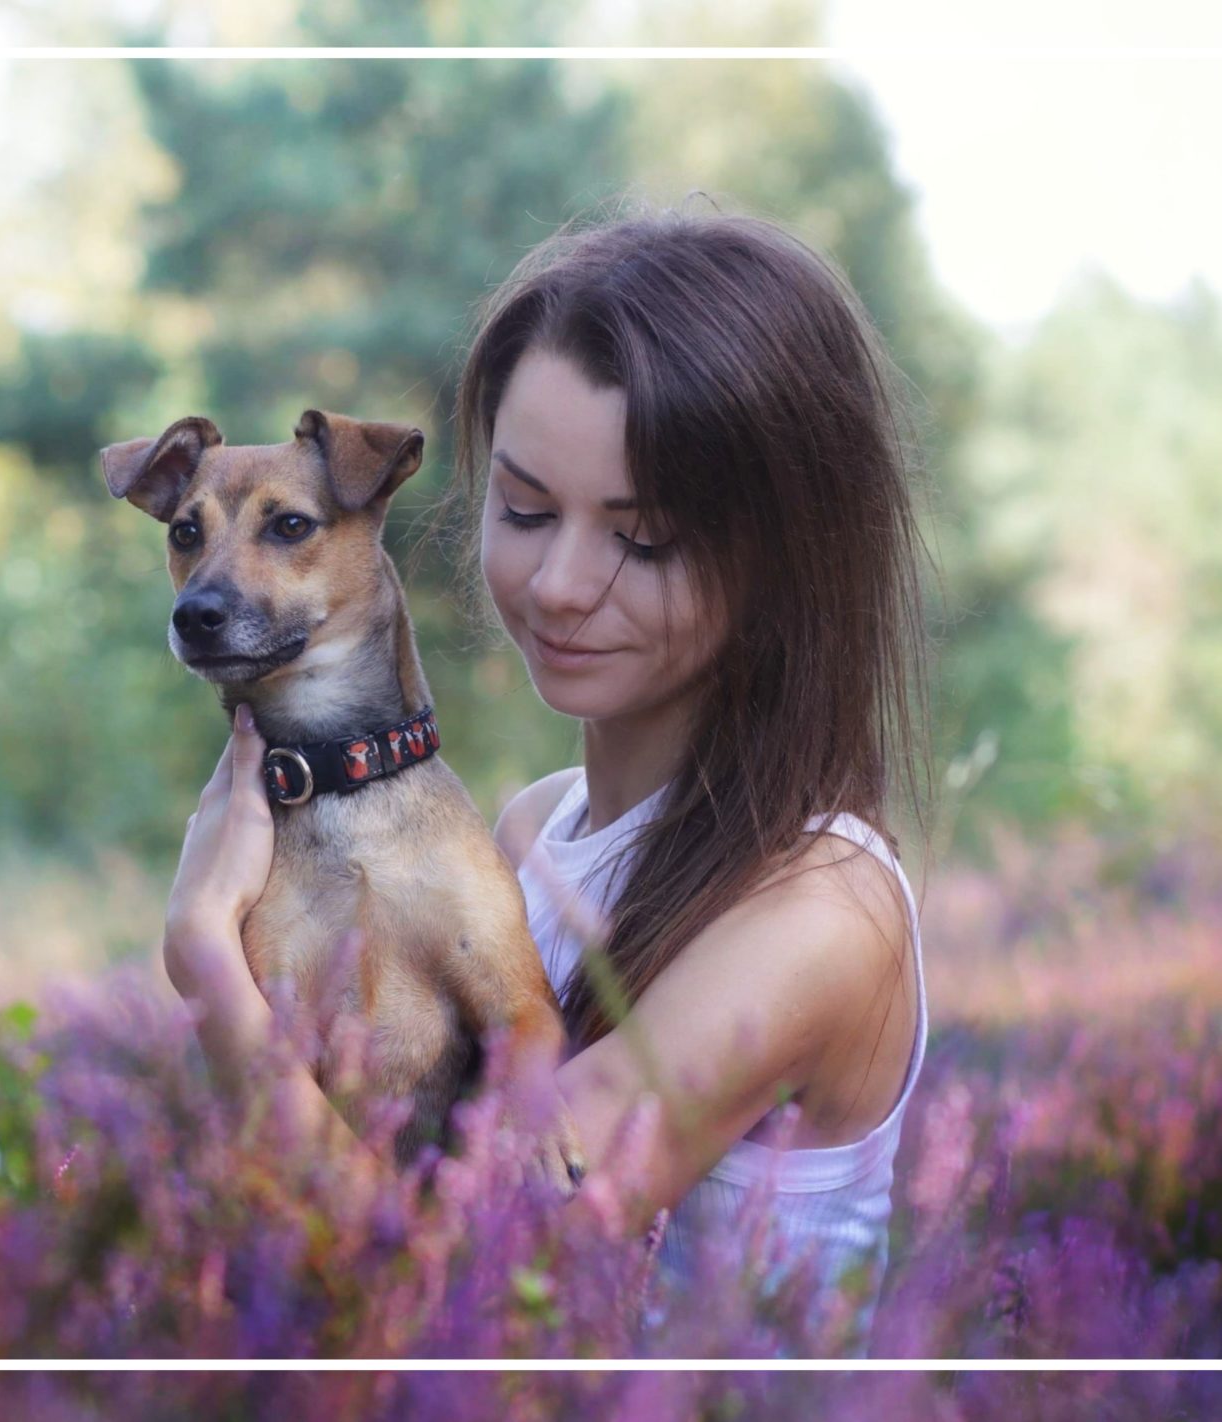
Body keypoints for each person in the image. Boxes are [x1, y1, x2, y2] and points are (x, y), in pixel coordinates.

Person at [159, 204, 933, 1349]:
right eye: (523, 508)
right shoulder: (524, 831)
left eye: (645, 538)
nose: (562, 583)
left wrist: (210, 976)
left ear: (788, 554)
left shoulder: (819, 907)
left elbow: (467, 1280)